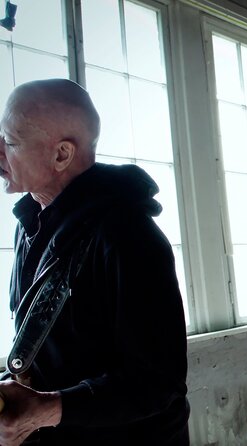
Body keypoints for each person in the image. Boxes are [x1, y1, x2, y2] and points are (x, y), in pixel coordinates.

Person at [0, 79, 190, 445]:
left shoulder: (130, 237)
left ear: (61, 154)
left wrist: (45, 409)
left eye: (10, 141)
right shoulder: (30, 224)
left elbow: (157, 382)